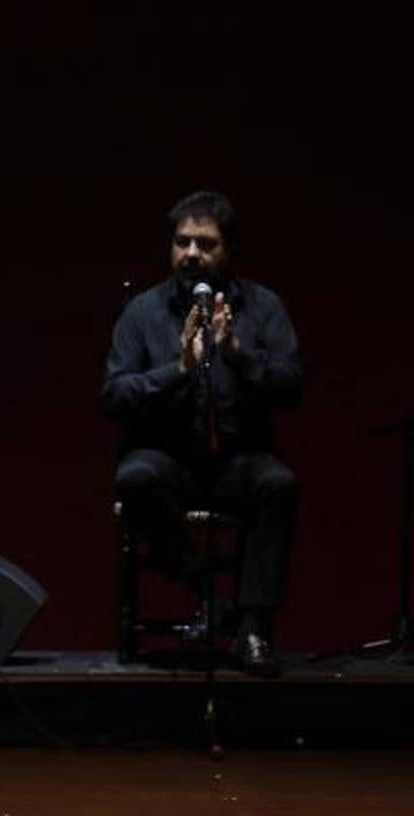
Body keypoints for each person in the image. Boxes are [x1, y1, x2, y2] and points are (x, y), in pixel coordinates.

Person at [101, 190, 301, 676]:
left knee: (278, 483)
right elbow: (112, 396)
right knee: (134, 477)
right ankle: (206, 590)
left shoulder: (264, 307)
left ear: (228, 251)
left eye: (205, 244)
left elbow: (292, 388)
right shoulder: (142, 313)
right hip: (168, 461)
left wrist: (235, 353)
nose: (191, 253)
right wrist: (180, 368)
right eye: (182, 242)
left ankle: (252, 627)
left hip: (236, 461)